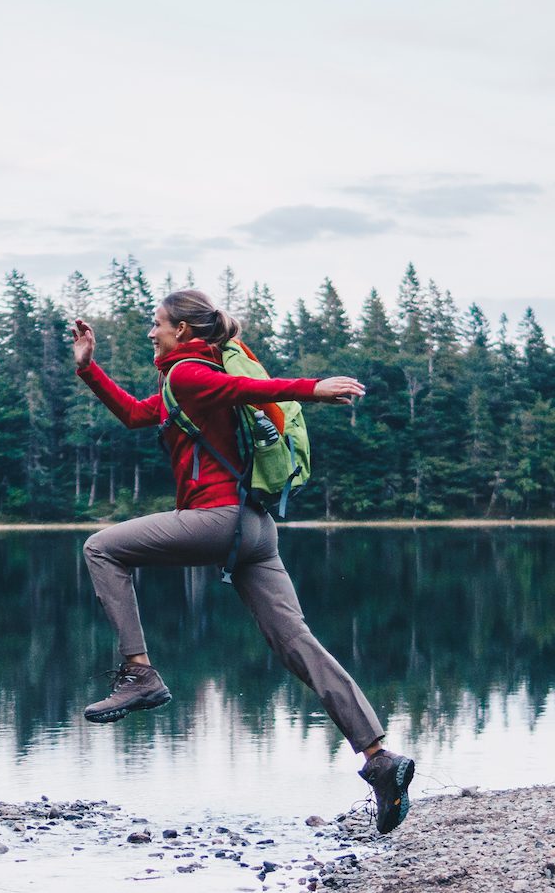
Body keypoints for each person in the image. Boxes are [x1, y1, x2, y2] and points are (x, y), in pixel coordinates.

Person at [72, 289, 416, 834]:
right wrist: (89, 370)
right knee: (296, 643)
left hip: (218, 520)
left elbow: (246, 388)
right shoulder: (181, 383)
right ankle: (378, 758)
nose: (150, 332)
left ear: (184, 331)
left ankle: (139, 673)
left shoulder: (188, 374)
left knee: (100, 547)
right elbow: (137, 416)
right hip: (256, 529)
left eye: (156, 323)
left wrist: (314, 390)